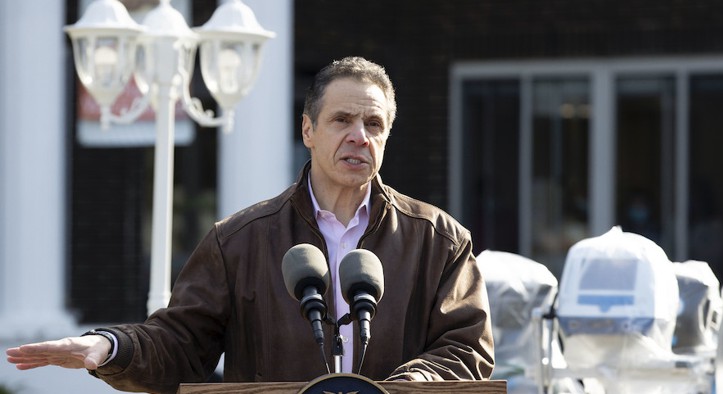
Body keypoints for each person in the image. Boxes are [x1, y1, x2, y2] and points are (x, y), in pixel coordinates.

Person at [6, 56, 495, 393]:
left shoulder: (439, 240)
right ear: (307, 130)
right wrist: (109, 348)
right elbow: (182, 345)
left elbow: (466, 347)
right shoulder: (239, 241)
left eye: (373, 125)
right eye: (342, 120)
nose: (358, 137)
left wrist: (404, 390)